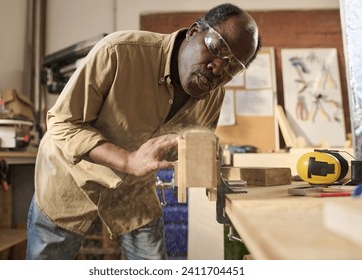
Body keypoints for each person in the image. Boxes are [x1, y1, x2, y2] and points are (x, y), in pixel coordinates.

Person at [26, 3, 261, 260]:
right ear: (194, 32)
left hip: (133, 194)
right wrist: (127, 160)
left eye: (232, 67)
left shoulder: (214, 96)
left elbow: (191, 149)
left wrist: (206, 162)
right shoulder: (119, 51)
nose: (218, 68)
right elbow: (62, 123)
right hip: (70, 182)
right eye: (217, 48)